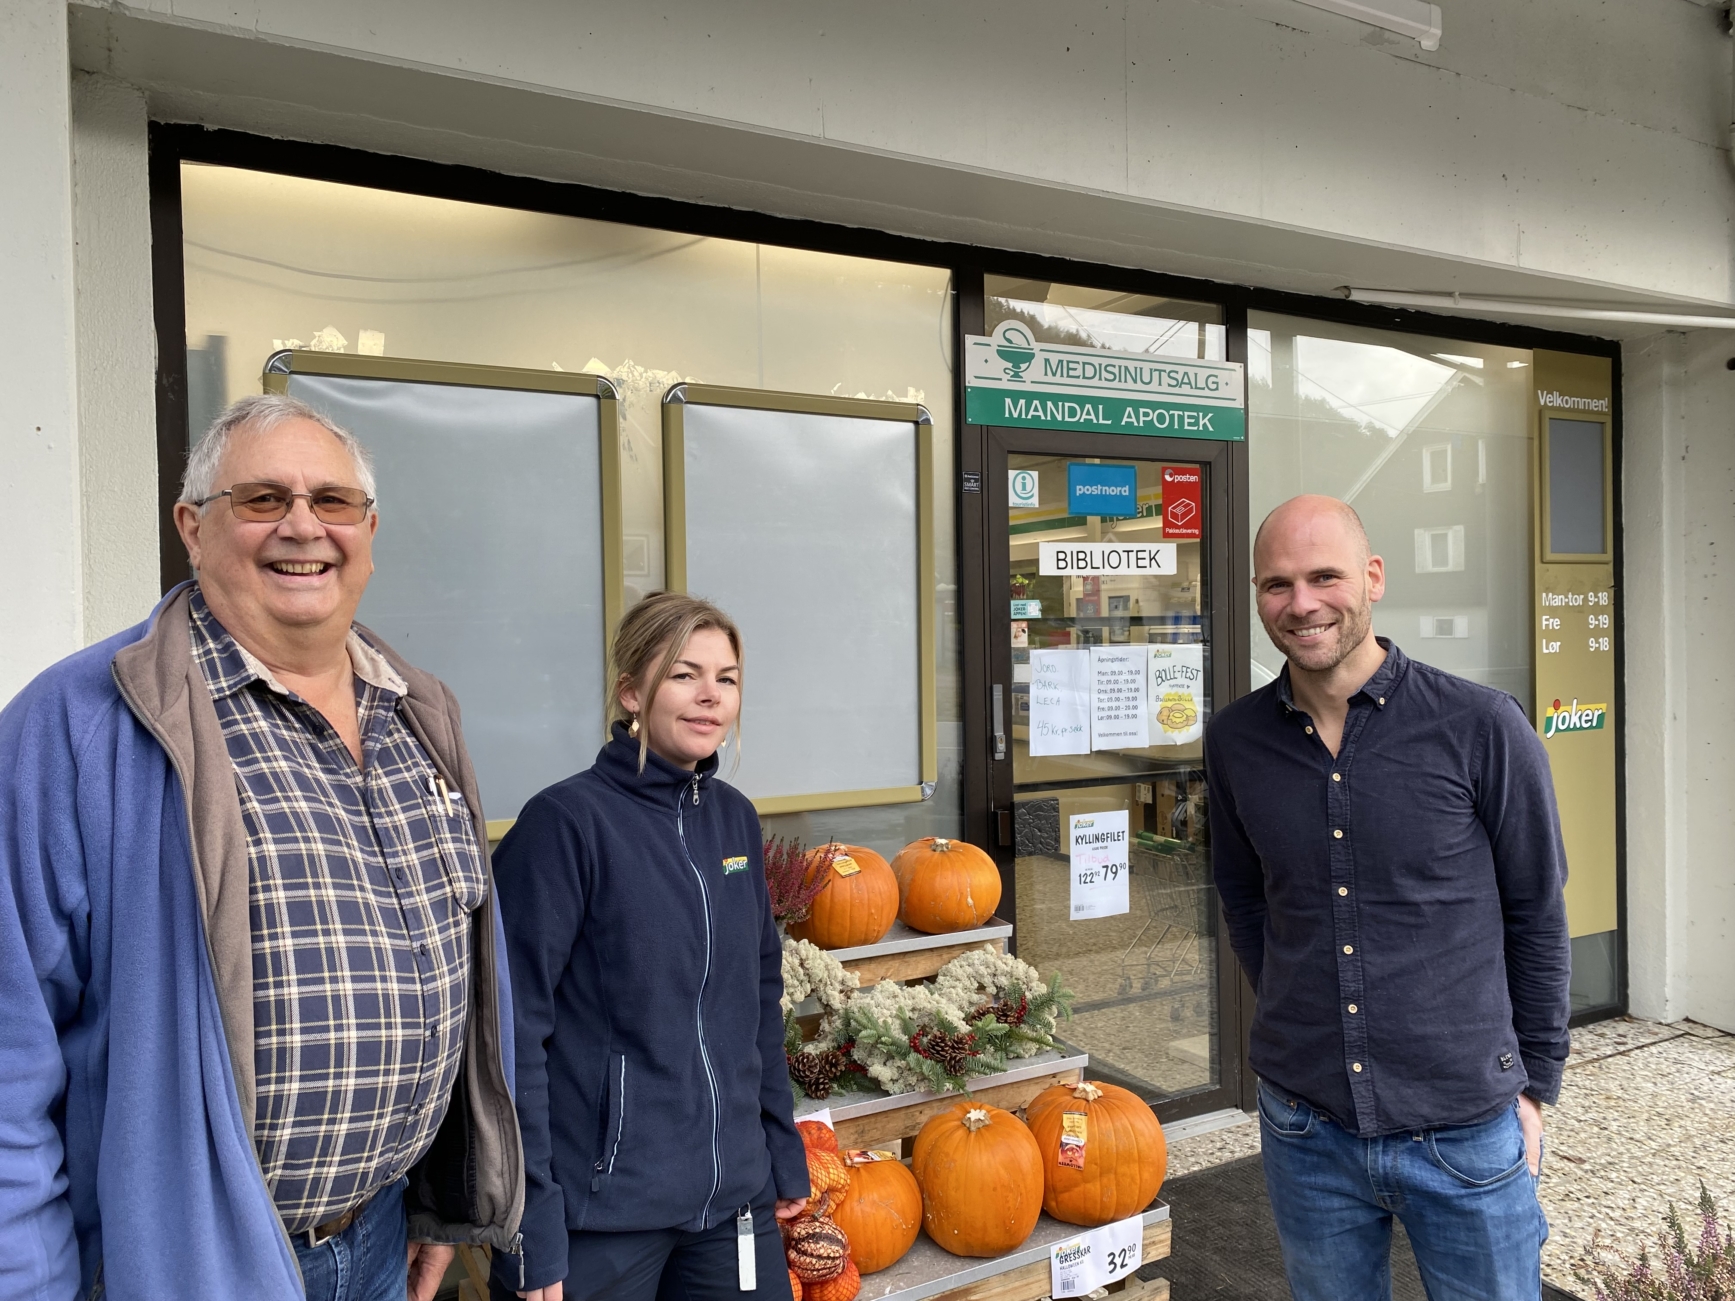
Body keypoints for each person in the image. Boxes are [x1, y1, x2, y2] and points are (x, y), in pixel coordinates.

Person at [0, 395, 522, 1301]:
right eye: (262, 499)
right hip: (184, 1264)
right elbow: (9, 1056)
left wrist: (446, 1198)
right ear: (191, 527)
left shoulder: (420, 713)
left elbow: (464, 974)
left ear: (368, 528)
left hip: (380, 1239)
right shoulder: (81, 724)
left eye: (332, 500)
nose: (302, 527)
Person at [1204, 494, 1570, 1301]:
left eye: (1323, 575)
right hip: (1306, 1127)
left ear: (1370, 577)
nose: (1300, 603)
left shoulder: (1480, 726)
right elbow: (1244, 893)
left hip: (1464, 1125)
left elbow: (1536, 909)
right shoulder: (1234, 740)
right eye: (1276, 584)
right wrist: (1299, 1002)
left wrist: (1535, 1082)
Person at [491, 592, 809, 1301]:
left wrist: (780, 1150)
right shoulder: (565, 824)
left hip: (732, 1204)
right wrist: (530, 1223)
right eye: (683, 674)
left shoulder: (734, 820)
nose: (708, 696)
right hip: (600, 1216)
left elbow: (757, 997)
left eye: (725, 679)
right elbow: (511, 1035)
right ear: (631, 691)